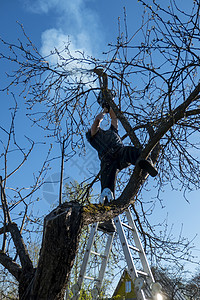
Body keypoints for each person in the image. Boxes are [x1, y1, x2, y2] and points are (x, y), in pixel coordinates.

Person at [85, 92, 158, 232]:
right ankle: (108, 221)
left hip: (119, 152)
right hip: (108, 161)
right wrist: (103, 112)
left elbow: (114, 118)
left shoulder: (113, 131)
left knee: (133, 151)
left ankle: (146, 163)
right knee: (107, 189)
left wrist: (109, 104)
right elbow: (96, 123)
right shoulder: (93, 137)